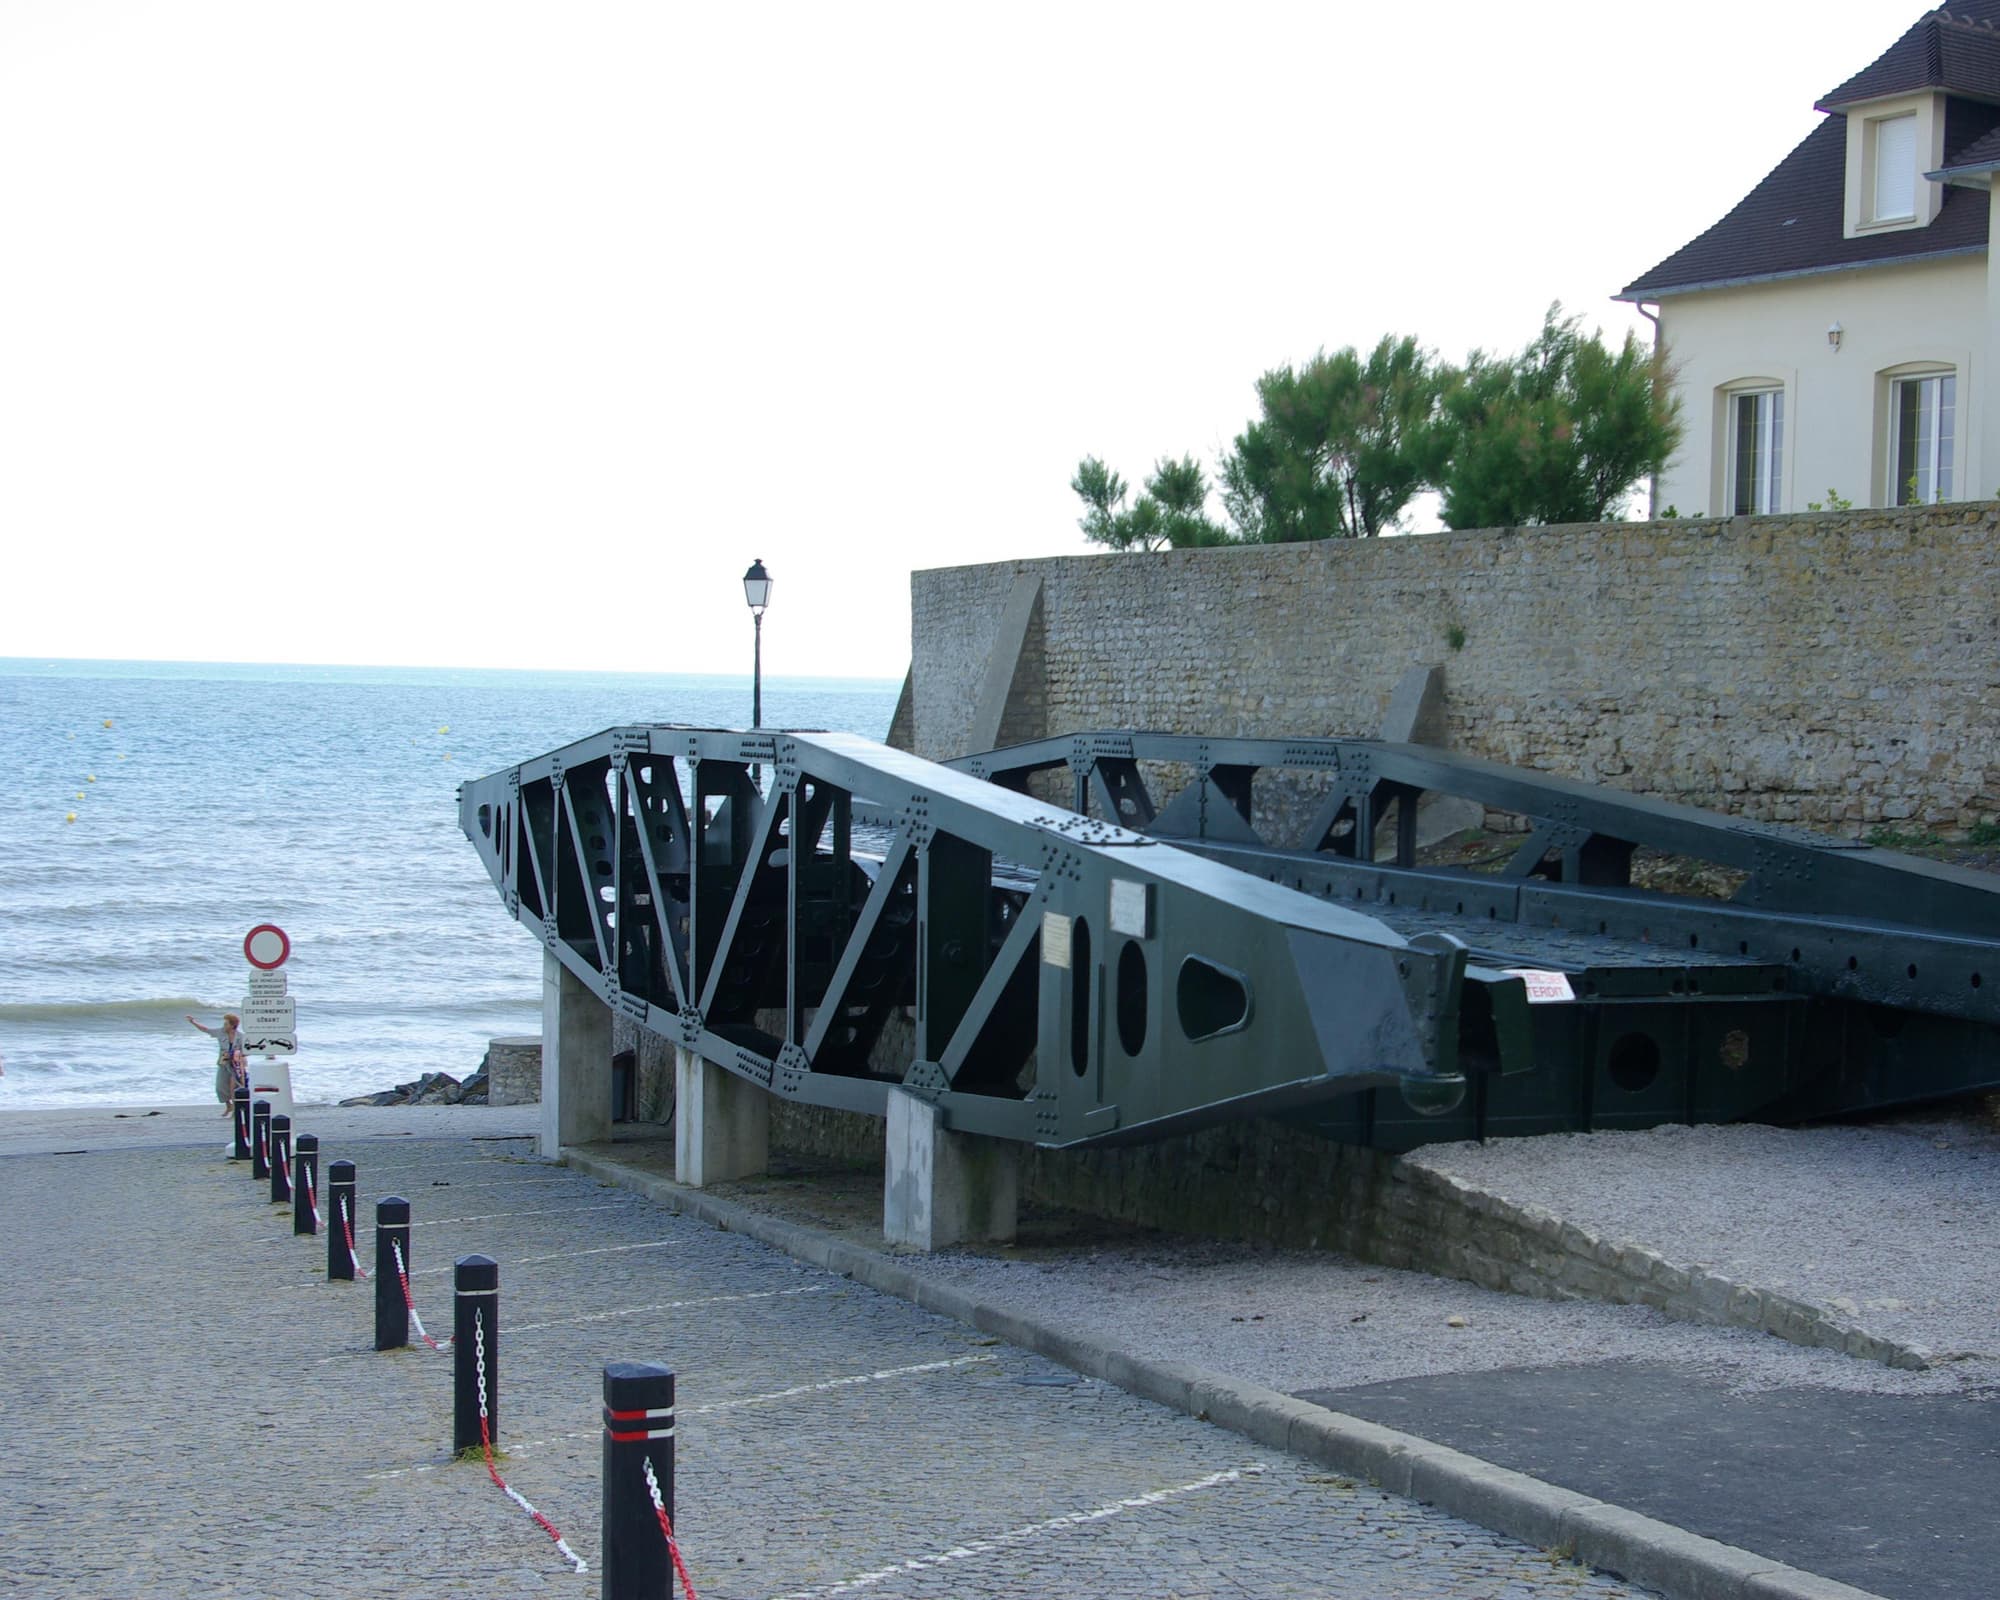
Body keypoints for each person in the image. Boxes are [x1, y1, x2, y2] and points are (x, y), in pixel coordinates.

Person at [187, 1012, 247, 1112]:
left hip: (236, 1065)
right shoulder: (221, 1032)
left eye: (226, 1024)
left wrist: (235, 1055)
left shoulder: (241, 1037)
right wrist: (193, 1022)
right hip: (223, 1062)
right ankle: (229, 1106)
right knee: (220, 1086)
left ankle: (236, 1110)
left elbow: (247, 1052)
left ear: (233, 1026)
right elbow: (206, 1030)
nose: (224, 1026)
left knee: (234, 1088)